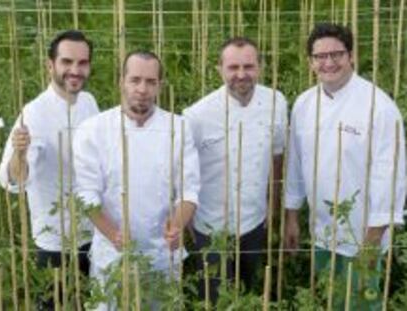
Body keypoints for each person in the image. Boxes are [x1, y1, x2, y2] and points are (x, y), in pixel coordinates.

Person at [285, 23, 406, 309]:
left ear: (351, 55)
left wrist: (373, 238)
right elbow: (295, 164)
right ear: (311, 62)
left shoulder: (379, 105)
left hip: (362, 233)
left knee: (362, 304)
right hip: (322, 232)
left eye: (336, 54)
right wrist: (291, 216)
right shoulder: (304, 104)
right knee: (329, 300)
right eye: (320, 57)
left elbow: (391, 175)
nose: (328, 63)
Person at [73, 51, 200, 309]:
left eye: (150, 82)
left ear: (159, 86)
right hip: (112, 255)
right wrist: (114, 235)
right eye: (135, 80)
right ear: (122, 81)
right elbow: (86, 194)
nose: (142, 89)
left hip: (161, 255)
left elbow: (189, 190)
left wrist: (176, 225)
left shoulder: (178, 127)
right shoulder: (93, 129)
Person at [0, 30, 99, 309]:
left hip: (92, 233)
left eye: (82, 63)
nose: (75, 70)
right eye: (67, 62)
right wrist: (20, 154)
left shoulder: (89, 102)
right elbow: (12, 180)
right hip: (56, 242)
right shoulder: (35, 113)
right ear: (50, 65)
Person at [183, 37, 288, 301]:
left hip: (254, 221)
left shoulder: (276, 102)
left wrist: (272, 206)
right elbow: (183, 169)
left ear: (260, 67)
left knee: (250, 292)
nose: (241, 75)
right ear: (219, 69)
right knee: (217, 299)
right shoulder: (197, 115)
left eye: (249, 66)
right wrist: (186, 219)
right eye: (233, 68)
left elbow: (277, 156)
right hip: (210, 226)